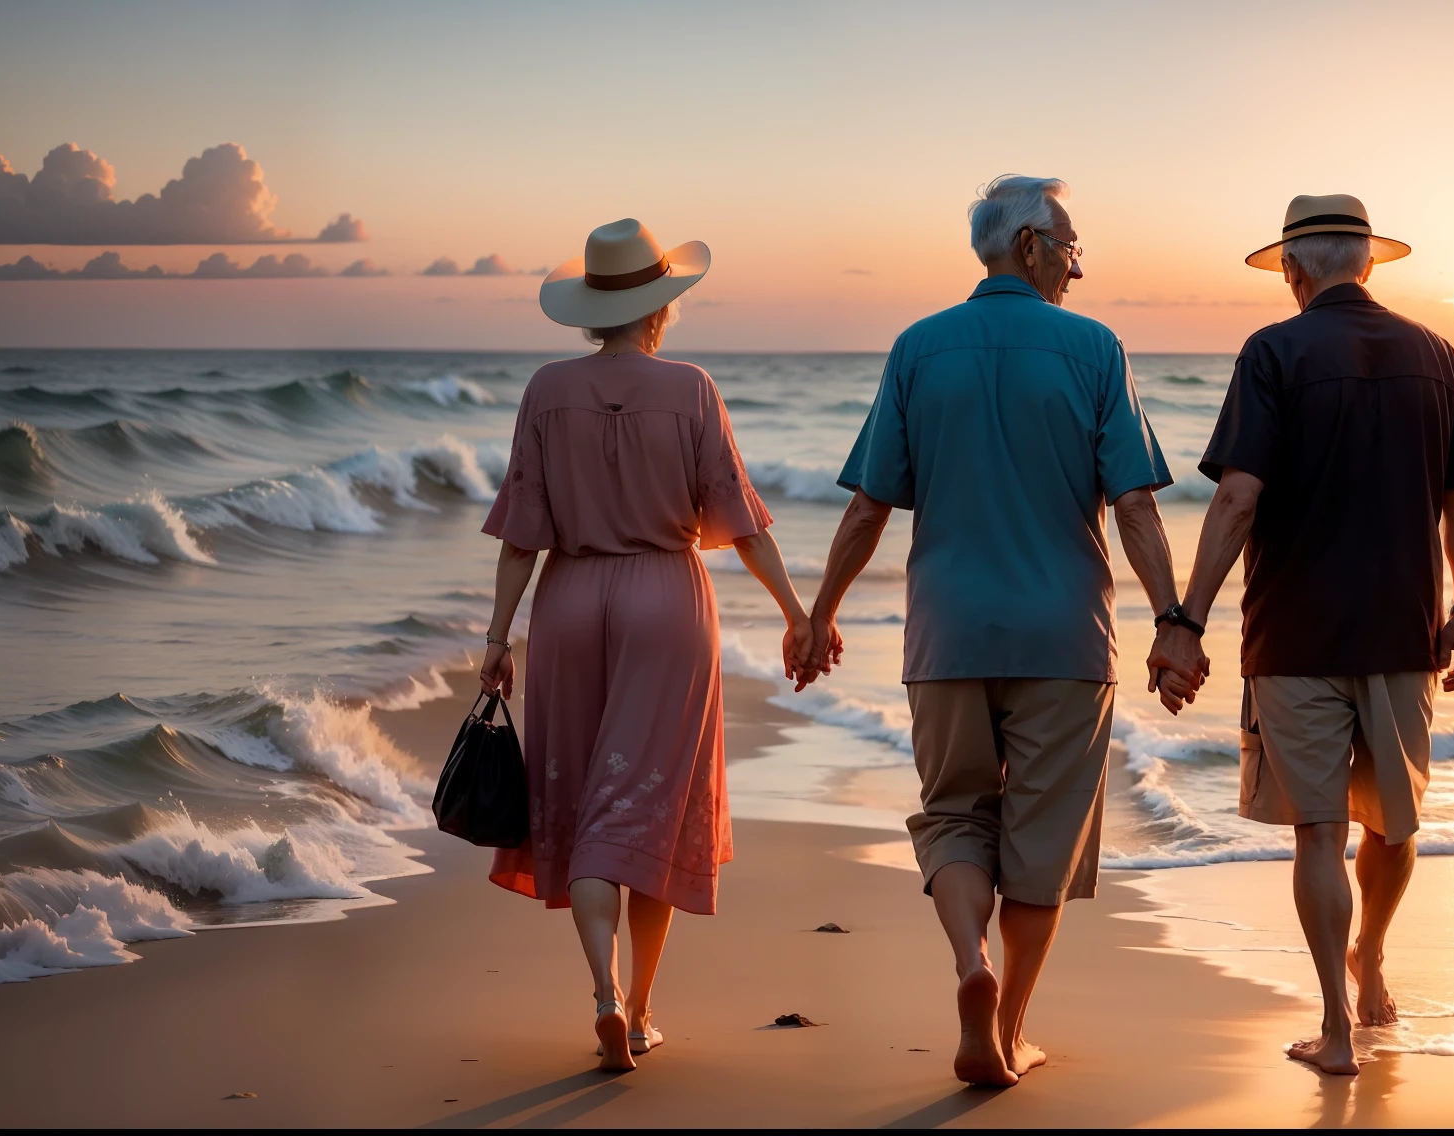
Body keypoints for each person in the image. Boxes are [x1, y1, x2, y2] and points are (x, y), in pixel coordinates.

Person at [802, 175, 1203, 1087]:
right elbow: (1134, 505)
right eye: (1070, 247)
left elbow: (870, 508)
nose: (1076, 265)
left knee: (952, 816)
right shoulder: (1094, 348)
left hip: (946, 636)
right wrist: (1172, 621)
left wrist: (819, 615)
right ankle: (1009, 1025)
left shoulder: (917, 347)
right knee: (1041, 841)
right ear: (1030, 245)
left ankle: (968, 965)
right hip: (1065, 638)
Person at [1167, 194, 1454, 1075]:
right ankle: (1373, 964)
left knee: (1318, 832)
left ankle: (1336, 1031)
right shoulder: (1436, 353)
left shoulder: (1272, 351)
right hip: (1402, 631)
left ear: (1295, 271)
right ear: (1371, 264)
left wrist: (1186, 620)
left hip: (1295, 634)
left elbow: (1238, 497)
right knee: (1393, 826)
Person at [478, 218, 812, 1073]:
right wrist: (796, 612)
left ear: (591, 307)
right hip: (667, 599)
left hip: (569, 600)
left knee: (589, 798)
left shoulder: (547, 390)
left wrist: (496, 636)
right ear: (661, 308)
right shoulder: (692, 389)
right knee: (649, 810)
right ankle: (642, 1011)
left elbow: (522, 536)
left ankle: (603, 991)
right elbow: (740, 523)